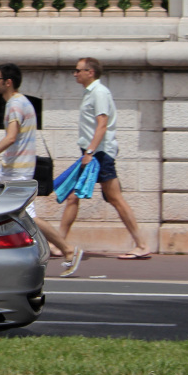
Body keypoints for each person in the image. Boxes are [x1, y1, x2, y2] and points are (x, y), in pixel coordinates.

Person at [0, 63, 83, 277]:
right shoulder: (23, 102)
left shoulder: (14, 104)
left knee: (25, 216)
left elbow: (11, 137)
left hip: (17, 171)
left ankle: (67, 250)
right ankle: (2, 254)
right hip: (11, 169)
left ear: (8, 82)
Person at [60, 57, 151, 259]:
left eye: (78, 70)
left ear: (90, 72)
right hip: (93, 152)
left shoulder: (99, 93)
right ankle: (58, 243)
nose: (75, 74)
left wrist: (90, 152)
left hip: (99, 153)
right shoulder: (91, 93)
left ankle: (142, 244)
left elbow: (102, 124)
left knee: (114, 197)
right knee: (74, 196)